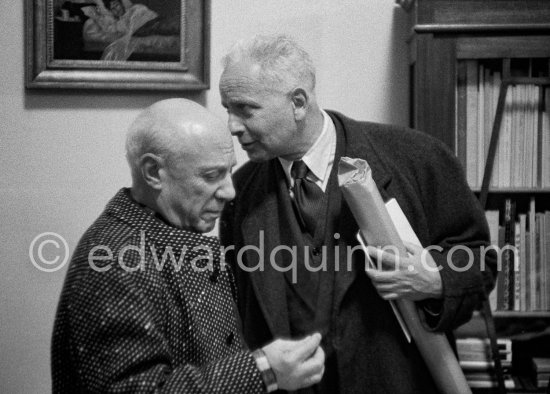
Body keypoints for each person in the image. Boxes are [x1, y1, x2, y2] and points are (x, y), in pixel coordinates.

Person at [219, 34, 497, 393]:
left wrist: (435, 279)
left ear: (298, 103)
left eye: (244, 109)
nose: (232, 126)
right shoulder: (238, 193)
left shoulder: (418, 157)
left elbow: (480, 261)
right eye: (227, 109)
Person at [51, 98, 325, 393]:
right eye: (211, 176)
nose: (230, 191)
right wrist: (262, 371)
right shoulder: (114, 261)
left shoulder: (166, 235)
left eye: (228, 171)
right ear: (153, 172)